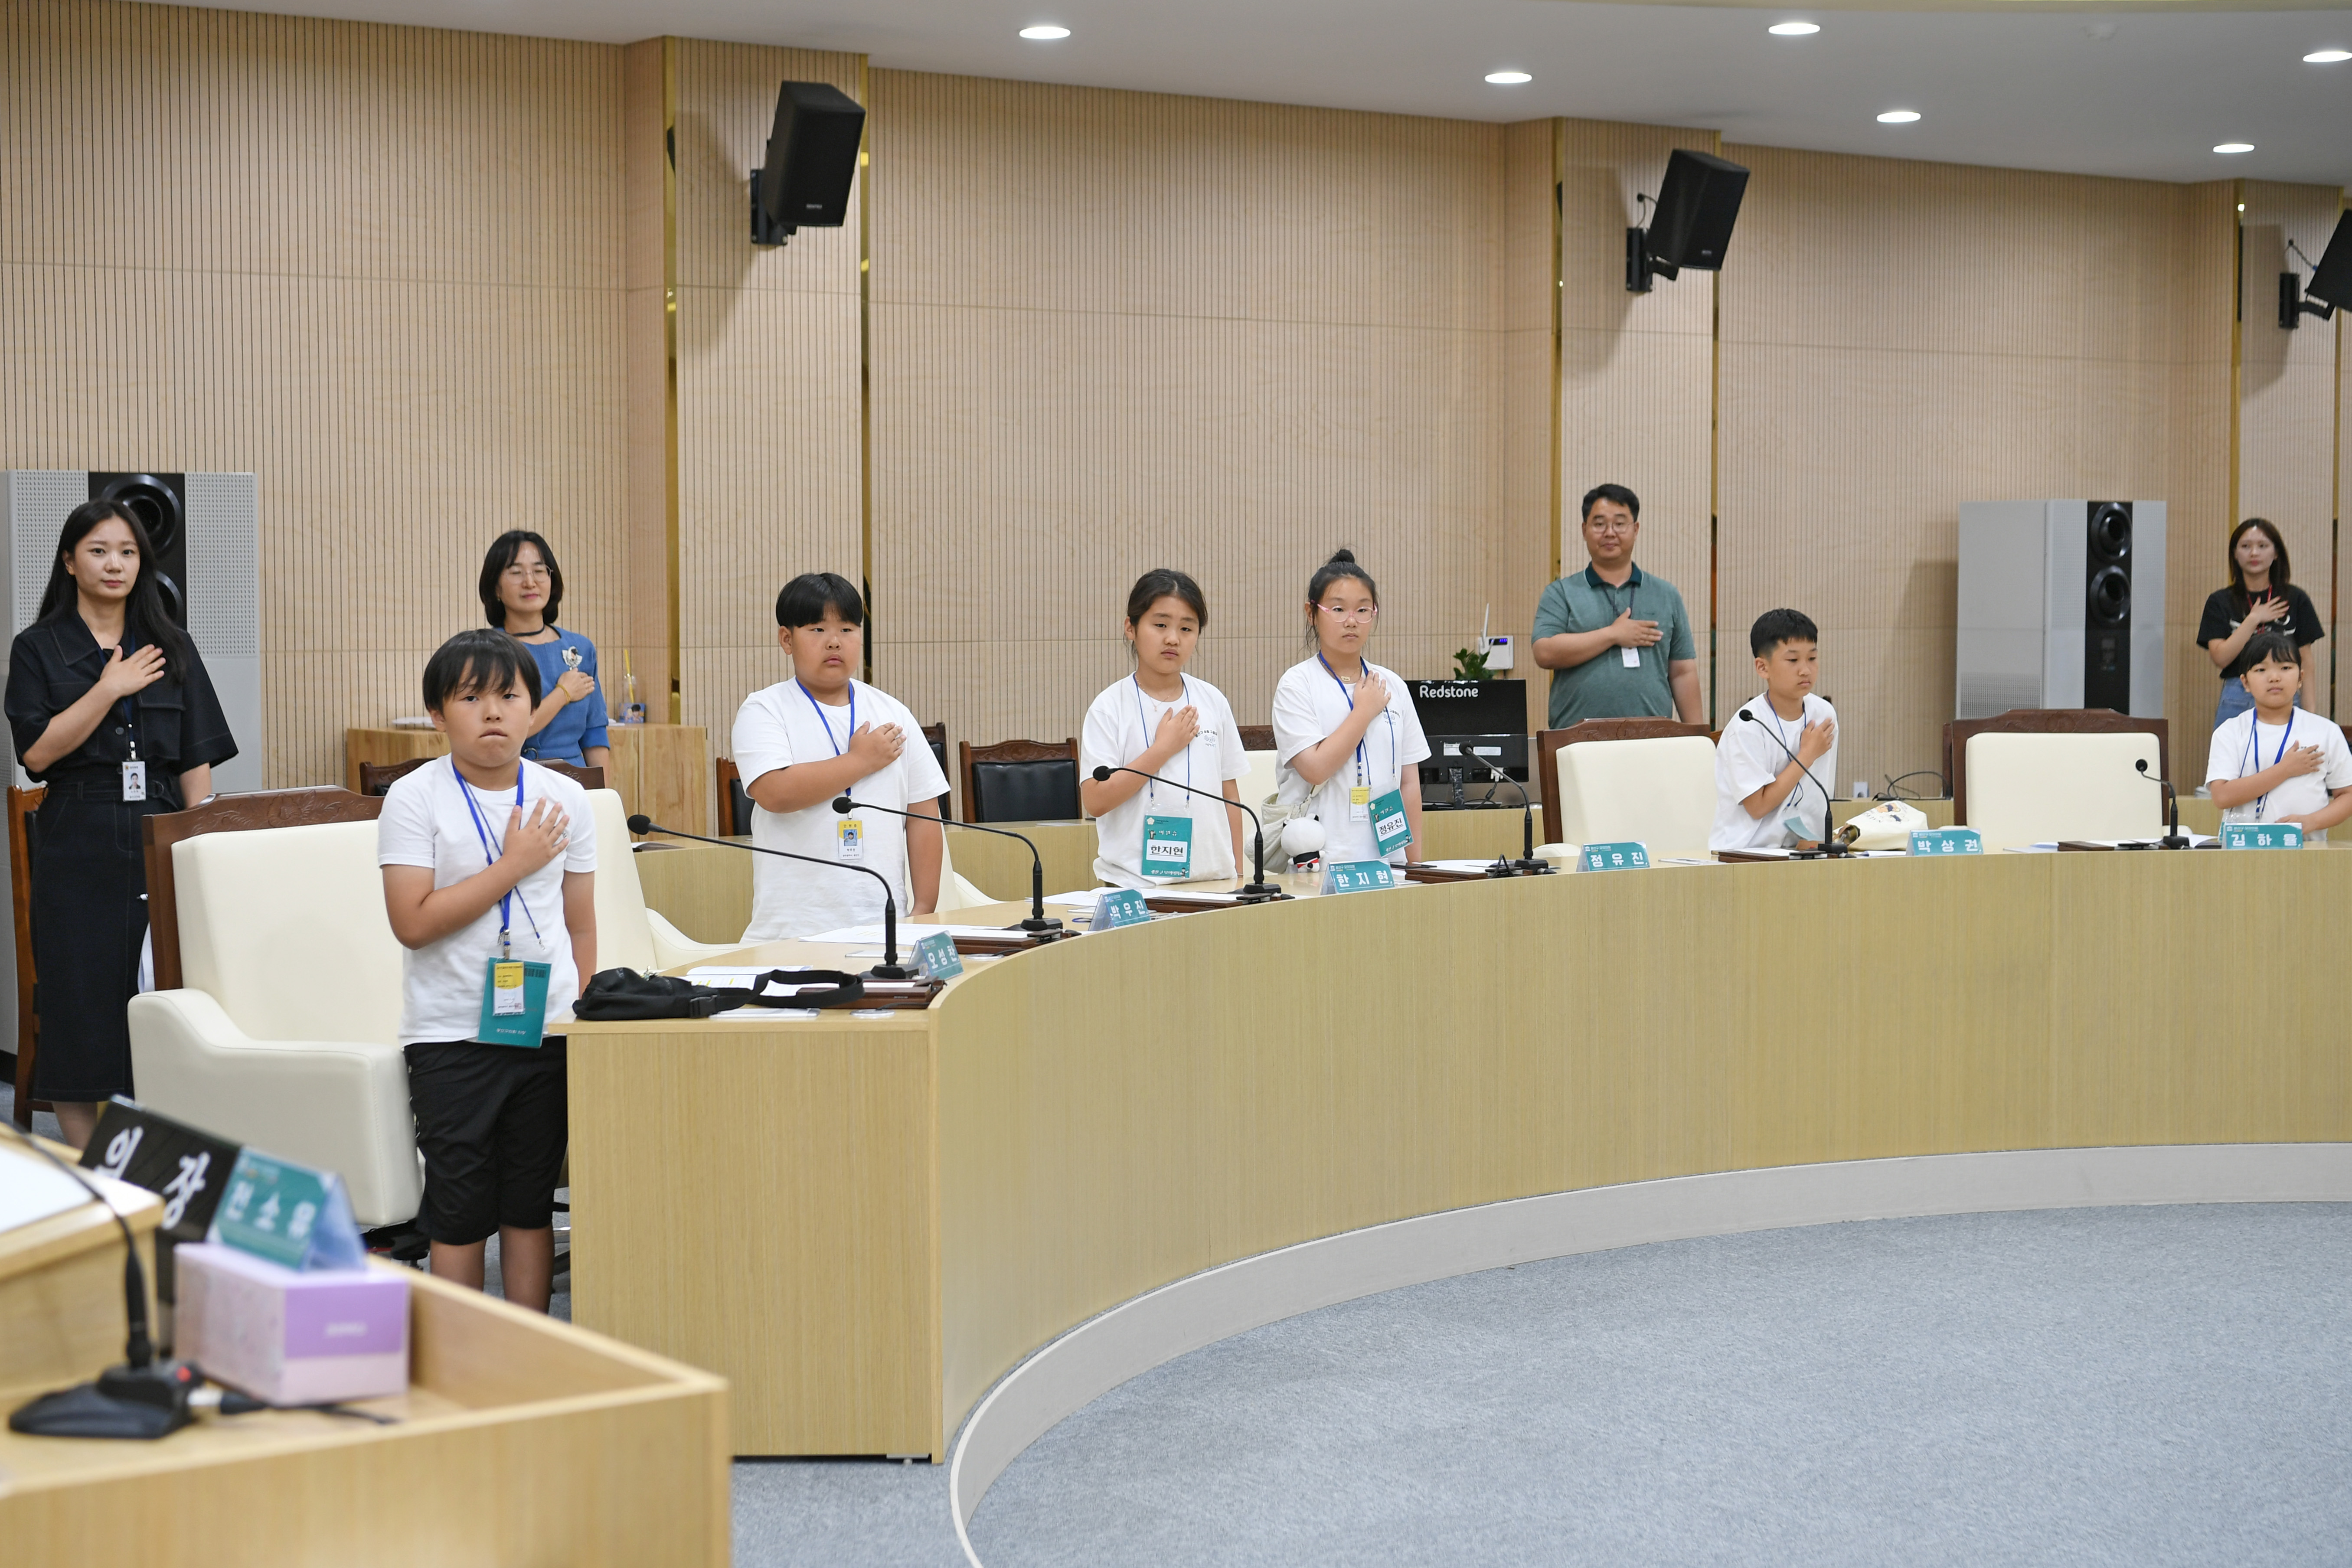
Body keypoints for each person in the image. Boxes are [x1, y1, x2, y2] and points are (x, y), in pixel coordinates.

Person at [5, 500, 237, 1149]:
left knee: (167, 998)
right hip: (77, 838)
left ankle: (160, 1164)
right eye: (100, 550)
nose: (115, 564)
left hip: (161, 833)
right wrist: (108, 688)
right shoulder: (38, 647)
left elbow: (196, 762)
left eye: (129, 552)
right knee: (83, 1010)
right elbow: (38, 754)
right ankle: (98, 1178)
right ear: (70, 561)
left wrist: (200, 849)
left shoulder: (171, 642)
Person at [378, 629, 595, 1312]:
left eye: (510, 696)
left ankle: (530, 1349)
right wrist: (513, 865)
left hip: (546, 1029)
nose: (494, 712)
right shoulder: (414, 798)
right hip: (449, 1036)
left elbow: (581, 922)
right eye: (472, 698)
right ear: (439, 716)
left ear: (534, 708)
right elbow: (412, 923)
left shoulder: (567, 797)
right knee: (461, 1208)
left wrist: (581, 1015)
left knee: (529, 1203)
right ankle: (462, 1360)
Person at [732, 573, 946, 941]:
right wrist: (861, 761)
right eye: (817, 630)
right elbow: (776, 793)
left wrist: (923, 909)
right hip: (791, 933)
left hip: (884, 928)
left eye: (847, 629)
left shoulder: (891, 712)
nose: (834, 642)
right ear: (787, 639)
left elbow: (923, 814)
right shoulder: (764, 710)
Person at [1079, 570, 1249, 889]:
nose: (1173, 638)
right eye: (1160, 625)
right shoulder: (1109, 707)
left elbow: (1230, 798)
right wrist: (1163, 749)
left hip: (1214, 880)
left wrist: (1238, 875)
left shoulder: (1212, 700)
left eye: (1187, 628)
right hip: (1134, 885)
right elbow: (1095, 801)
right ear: (1131, 627)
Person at [1272, 549, 1430, 866]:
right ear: (1311, 613)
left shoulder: (1392, 685)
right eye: (1338, 609)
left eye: (1362, 610)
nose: (1351, 621)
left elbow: (1409, 782)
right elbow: (1315, 769)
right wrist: (1364, 712)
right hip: (1319, 861)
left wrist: (1414, 867)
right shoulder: (1297, 684)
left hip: (1389, 861)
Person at [1530, 484, 1704, 729]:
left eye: (1620, 524)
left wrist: (1697, 737)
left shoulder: (1666, 594)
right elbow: (1544, 652)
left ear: (1636, 530)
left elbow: (1682, 671)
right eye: (1599, 524)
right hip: (1577, 742)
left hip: (1652, 739)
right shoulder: (1561, 593)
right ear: (1584, 530)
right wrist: (1613, 635)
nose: (1610, 533)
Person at [2202, 631, 2352, 842]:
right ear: (2245, 682)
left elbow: (2348, 795)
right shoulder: (2230, 732)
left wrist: (2312, 822)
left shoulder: (2326, 731)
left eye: (2285, 668)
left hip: (2308, 853)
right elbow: (2222, 797)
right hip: (2242, 852)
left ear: (2301, 678)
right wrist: (2285, 770)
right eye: (2261, 670)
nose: (2274, 677)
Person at [1711, 609, 1839, 854]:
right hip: (1746, 852)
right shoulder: (1748, 725)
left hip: (1802, 849)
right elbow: (1757, 807)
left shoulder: (1824, 714)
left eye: (1812, 658)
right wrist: (1807, 755)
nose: (1805, 670)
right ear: (1763, 667)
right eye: (1793, 661)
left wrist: (1814, 840)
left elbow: (1819, 792)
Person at [480, 530, 610, 771]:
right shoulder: (488, 651)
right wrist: (564, 693)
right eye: (516, 573)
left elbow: (595, 732)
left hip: (575, 779)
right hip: (512, 776)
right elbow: (511, 730)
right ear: (495, 588)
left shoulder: (580, 648)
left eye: (540, 571)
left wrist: (602, 795)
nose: (530, 582)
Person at [2198, 518, 2322, 730]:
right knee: (2235, 762)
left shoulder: (2295, 598)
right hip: (2238, 693)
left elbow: (2306, 662)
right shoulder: (2220, 601)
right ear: (2235, 554)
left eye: (2263, 546)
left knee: (2290, 761)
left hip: (2287, 693)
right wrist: (2254, 619)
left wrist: (2310, 716)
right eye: (2246, 547)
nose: (2254, 553)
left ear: (2276, 553)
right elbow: (2221, 657)